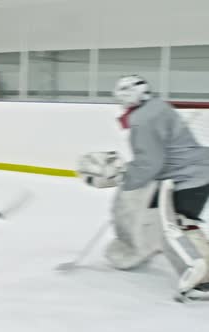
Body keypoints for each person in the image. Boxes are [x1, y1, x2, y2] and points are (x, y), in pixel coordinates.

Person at [77, 75, 209, 298]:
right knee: (179, 221)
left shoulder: (142, 120)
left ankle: (202, 280)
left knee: (178, 224)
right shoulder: (157, 107)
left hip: (187, 176)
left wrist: (125, 179)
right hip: (194, 171)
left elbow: (151, 163)